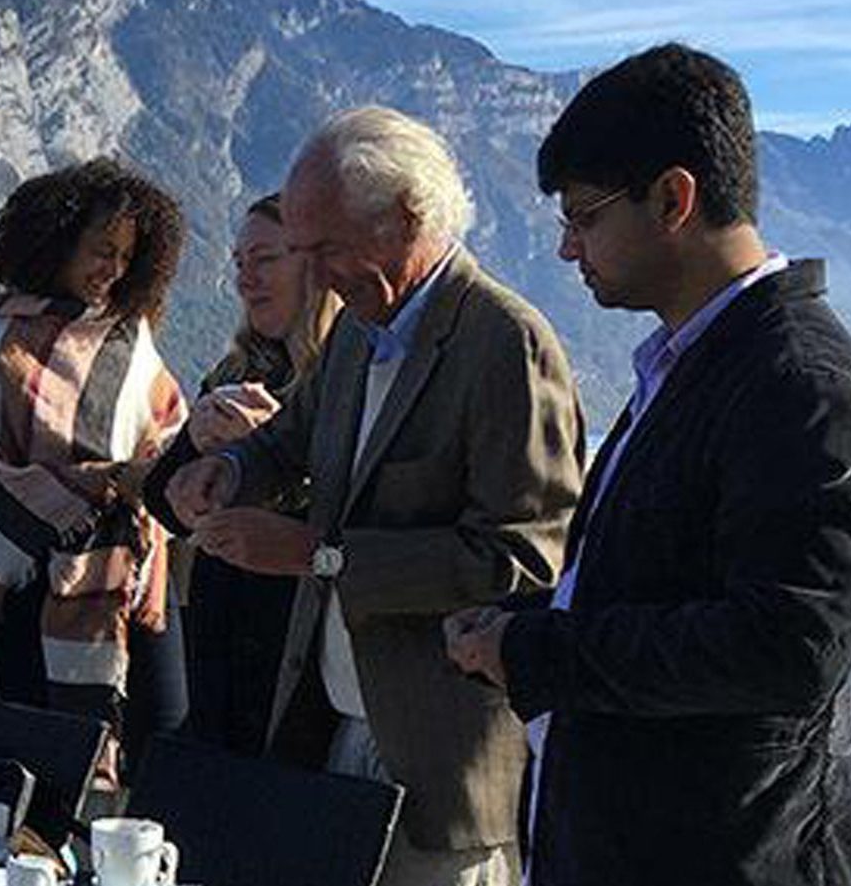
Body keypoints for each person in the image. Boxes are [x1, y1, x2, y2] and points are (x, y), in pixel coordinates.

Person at [444, 43, 851, 886]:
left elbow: (790, 644)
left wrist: (542, 652)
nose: (566, 247)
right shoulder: (691, 366)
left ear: (673, 198)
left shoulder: (797, 383)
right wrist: (526, 623)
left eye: (585, 216)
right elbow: (664, 578)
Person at [164, 106, 582, 886]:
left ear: (406, 218)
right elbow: (292, 439)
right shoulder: (359, 332)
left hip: (438, 757)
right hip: (332, 722)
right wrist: (230, 471)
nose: (315, 275)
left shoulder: (503, 343)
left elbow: (523, 556)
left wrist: (319, 557)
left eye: (326, 249)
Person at [0, 158, 187, 755]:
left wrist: (159, 472)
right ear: (57, 242)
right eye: (101, 250)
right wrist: (101, 482)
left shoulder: (130, 335)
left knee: (161, 734)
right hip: (27, 578)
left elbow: (168, 426)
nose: (112, 269)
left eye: (125, 255)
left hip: (128, 574)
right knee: (39, 752)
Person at [145, 193, 343, 762]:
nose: (245, 280)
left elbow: (356, 512)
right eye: (238, 263)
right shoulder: (237, 372)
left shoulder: (349, 377)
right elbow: (161, 499)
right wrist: (194, 448)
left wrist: (273, 448)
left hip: (299, 660)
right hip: (219, 650)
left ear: (313, 264)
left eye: (264, 260)